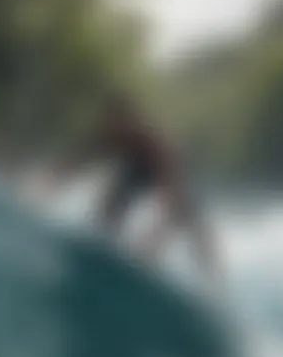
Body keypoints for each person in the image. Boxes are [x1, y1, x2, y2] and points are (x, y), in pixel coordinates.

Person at [49, 95, 219, 283]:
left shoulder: (151, 142)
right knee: (108, 210)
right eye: (110, 124)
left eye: (119, 125)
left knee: (188, 218)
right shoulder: (108, 135)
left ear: (130, 122)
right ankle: (101, 252)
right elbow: (79, 157)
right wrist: (54, 179)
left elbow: (172, 193)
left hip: (166, 174)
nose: (113, 130)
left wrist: (153, 237)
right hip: (136, 173)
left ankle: (213, 278)